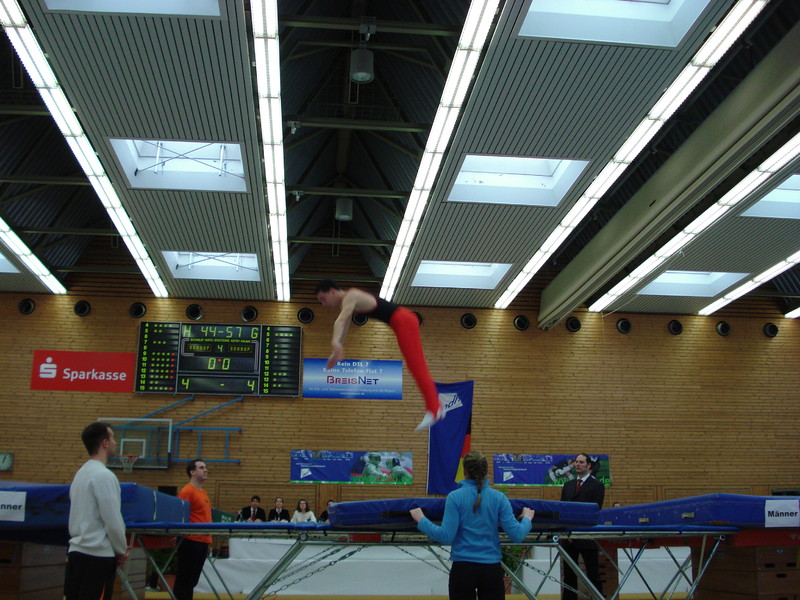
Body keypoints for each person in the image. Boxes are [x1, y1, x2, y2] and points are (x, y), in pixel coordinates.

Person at [315, 280, 443, 430]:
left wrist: (335, 343)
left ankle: (435, 409)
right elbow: (344, 325)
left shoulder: (351, 295)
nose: (323, 304)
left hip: (403, 320)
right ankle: (434, 407)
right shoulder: (348, 301)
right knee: (415, 366)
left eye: (323, 299)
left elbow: (341, 320)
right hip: (400, 321)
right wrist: (336, 349)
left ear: (332, 291)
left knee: (417, 366)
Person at [410, 451, 535, 600]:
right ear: (487, 471)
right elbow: (517, 535)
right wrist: (527, 518)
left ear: (464, 471)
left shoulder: (455, 497)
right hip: (491, 569)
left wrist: (422, 520)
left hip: (463, 569)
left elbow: (446, 536)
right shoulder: (499, 498)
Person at [64, 422, 129, 600]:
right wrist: (121, 549)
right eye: (113, 438)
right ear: (105, 443)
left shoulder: (80, 474)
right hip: (96, 557)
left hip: (76, 555)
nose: (115, 442)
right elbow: (112, 520)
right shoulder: (104, 476)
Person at [559, 453, 605, 600]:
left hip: (587, 535)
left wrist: (577, 530)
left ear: (588, 465)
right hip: (568, 537)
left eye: (581, 462)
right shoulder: (568, 485)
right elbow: (563, 509)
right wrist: (568, 532)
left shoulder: (597, 485)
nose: (577, 464)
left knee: (593, 574)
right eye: (576, 462)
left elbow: (594, 511)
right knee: (569, 575)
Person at [174, 459, 212, 600]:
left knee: (192, 581)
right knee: (184, 580)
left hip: (203, 541)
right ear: (192, 472)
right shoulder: (187, 491)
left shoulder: (203, 492)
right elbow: (179, 514)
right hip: (190, 541)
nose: (205, 470)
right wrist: (177, 535)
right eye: (201, 467)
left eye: (205, 467)